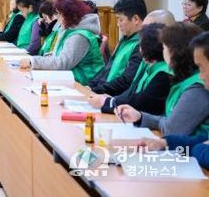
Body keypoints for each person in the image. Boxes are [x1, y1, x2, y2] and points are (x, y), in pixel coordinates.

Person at [117, 22, 209, 136]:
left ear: (176, 52)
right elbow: (170, 120)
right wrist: (140, 117)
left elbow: (172, 129)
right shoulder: (185, 78)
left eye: (164, 47)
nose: (162, 51)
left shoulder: (197, 87)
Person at [138, 32, 209, 168]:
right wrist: (166, 143)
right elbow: (203, 140)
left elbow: (175, 130)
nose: (200, 75)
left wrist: (199, 148)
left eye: (202, 67)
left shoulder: (197, 88)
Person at [19, 0, 104, 85]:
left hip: (84, 83)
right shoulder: (68, 30)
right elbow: (58, 56)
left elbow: (62, 63)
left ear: (68, 15)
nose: (57, 18)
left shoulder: (80, 36)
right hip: (71, 78)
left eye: (59, 14)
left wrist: (33, 61)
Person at [88, 23, 171, 115]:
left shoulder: (164, 74)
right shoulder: (149, 65)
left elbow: (141, 101)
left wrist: (108, 102)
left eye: (141, 45)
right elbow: (132, 91)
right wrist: (112, 99)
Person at [88, 0, 147, 95]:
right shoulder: (125, 40)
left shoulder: (141, 45)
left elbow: (126, 81)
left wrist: (96, 91)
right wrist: (90, 86)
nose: (118, 24)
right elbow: (108, 69)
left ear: (135, 19)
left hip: (114, 97)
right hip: (104, 92)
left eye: (120, 19)